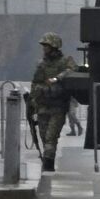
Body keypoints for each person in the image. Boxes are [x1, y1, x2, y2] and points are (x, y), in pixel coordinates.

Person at [30, 33, 80, 173]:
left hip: (57, 107)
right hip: (42, 106)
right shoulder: (42, 64)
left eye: (47, 46)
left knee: (51, 137)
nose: (44, 48)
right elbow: (35, 83)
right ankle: (47, 161)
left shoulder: (65, 61)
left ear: (54, 46)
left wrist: (57, 78)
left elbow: (73, 69)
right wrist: (33, 102)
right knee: (44, 137)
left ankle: (48, 166)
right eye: (44, 46)